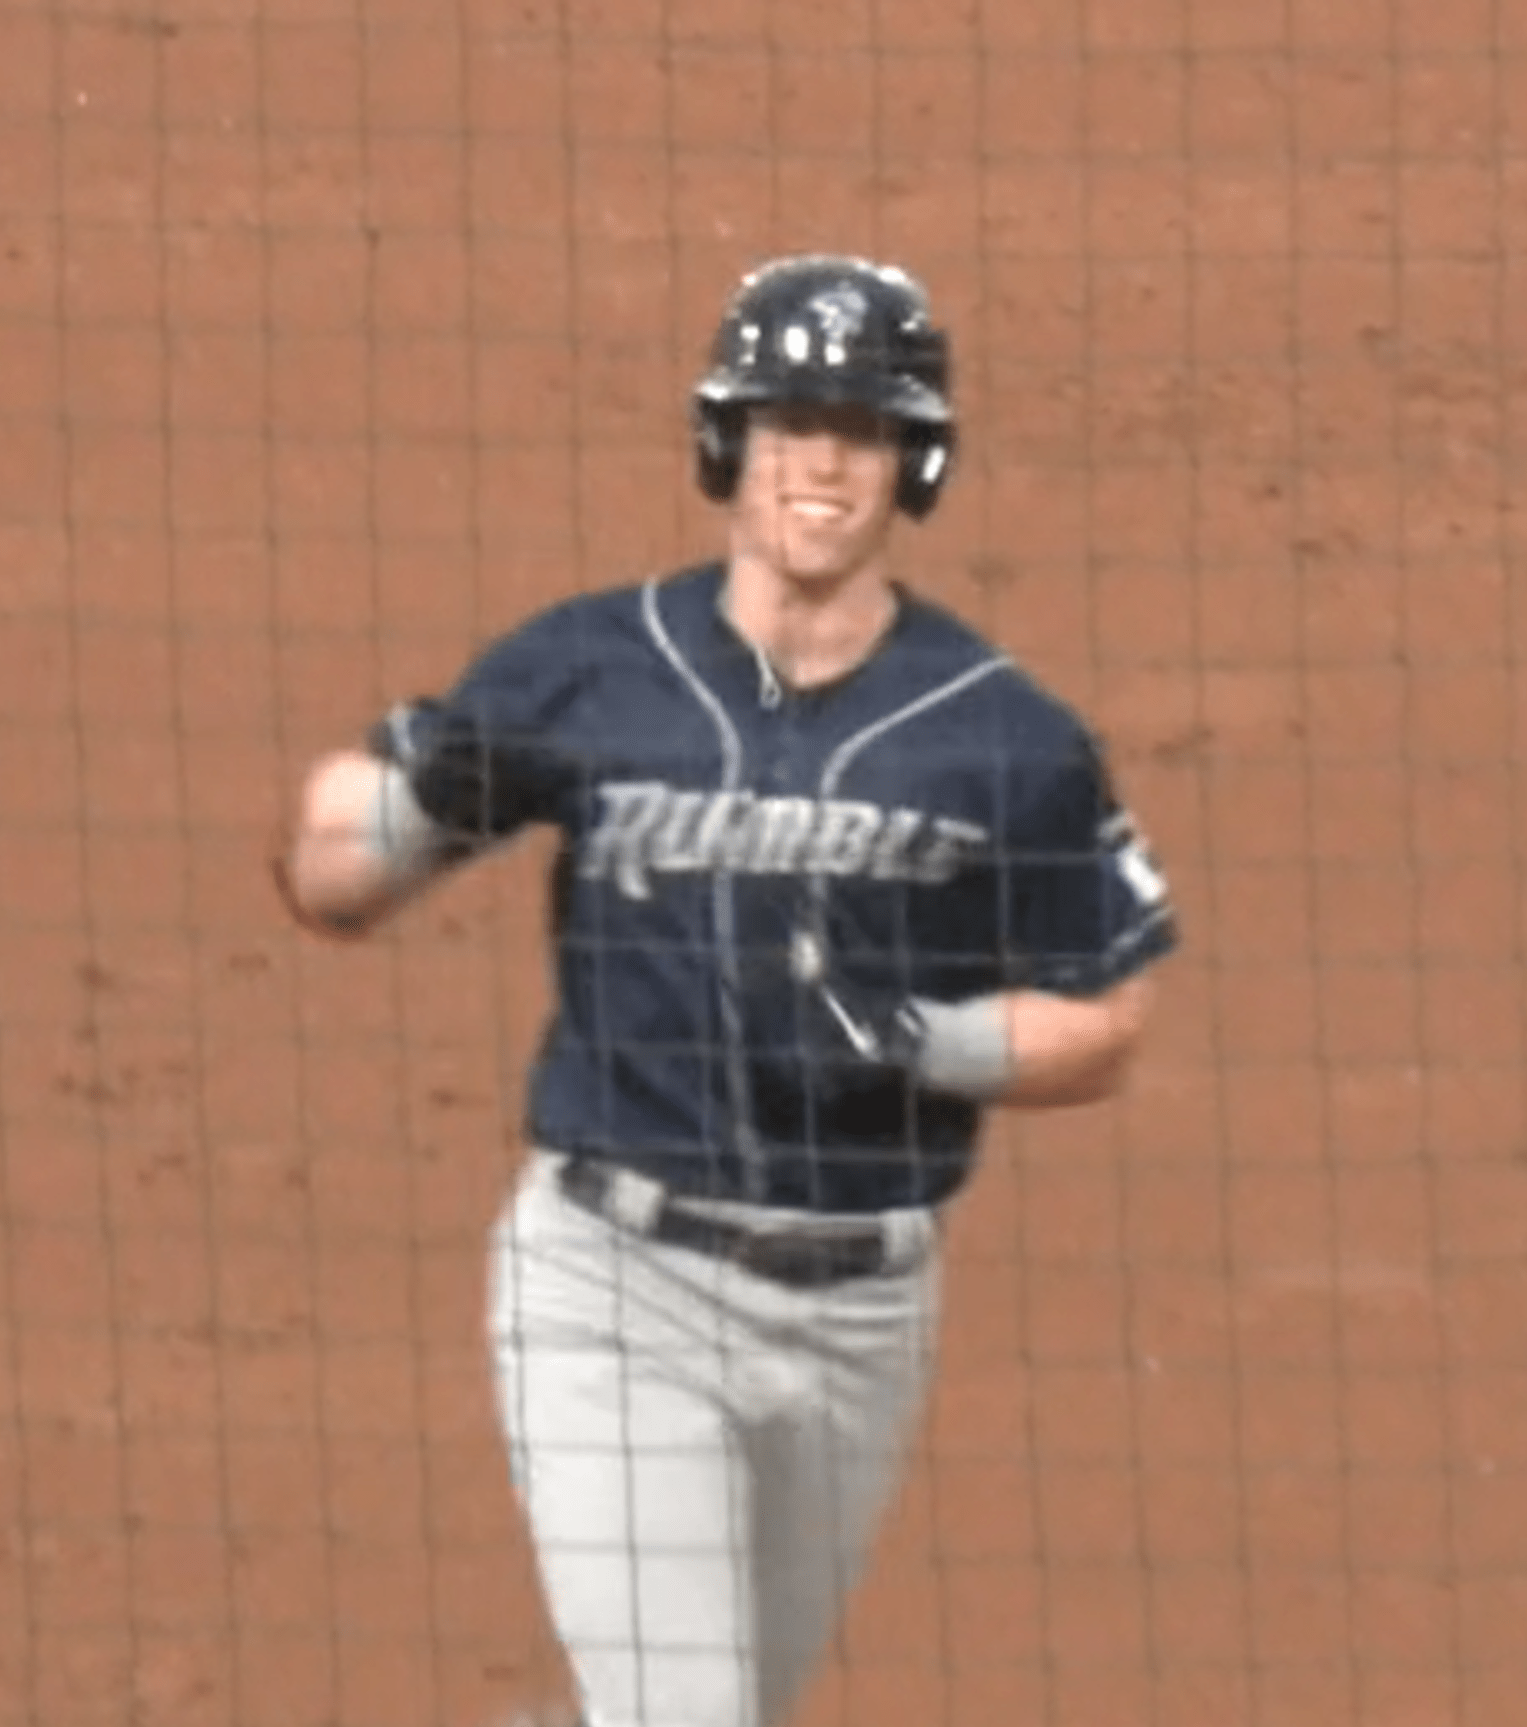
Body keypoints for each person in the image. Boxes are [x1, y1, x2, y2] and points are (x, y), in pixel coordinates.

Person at [274, 253, 1179, 1727]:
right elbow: (331, 867)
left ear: (914, 461)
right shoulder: (587, 666)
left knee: (686, 1699)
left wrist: (905, 1037)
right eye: (783, 418)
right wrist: (401, 819)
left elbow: (1107, 1020)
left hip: (861, 1321)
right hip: (612, 1285)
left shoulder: (1005, 736)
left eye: (861, 428)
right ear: (725, 443)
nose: (818, 459)